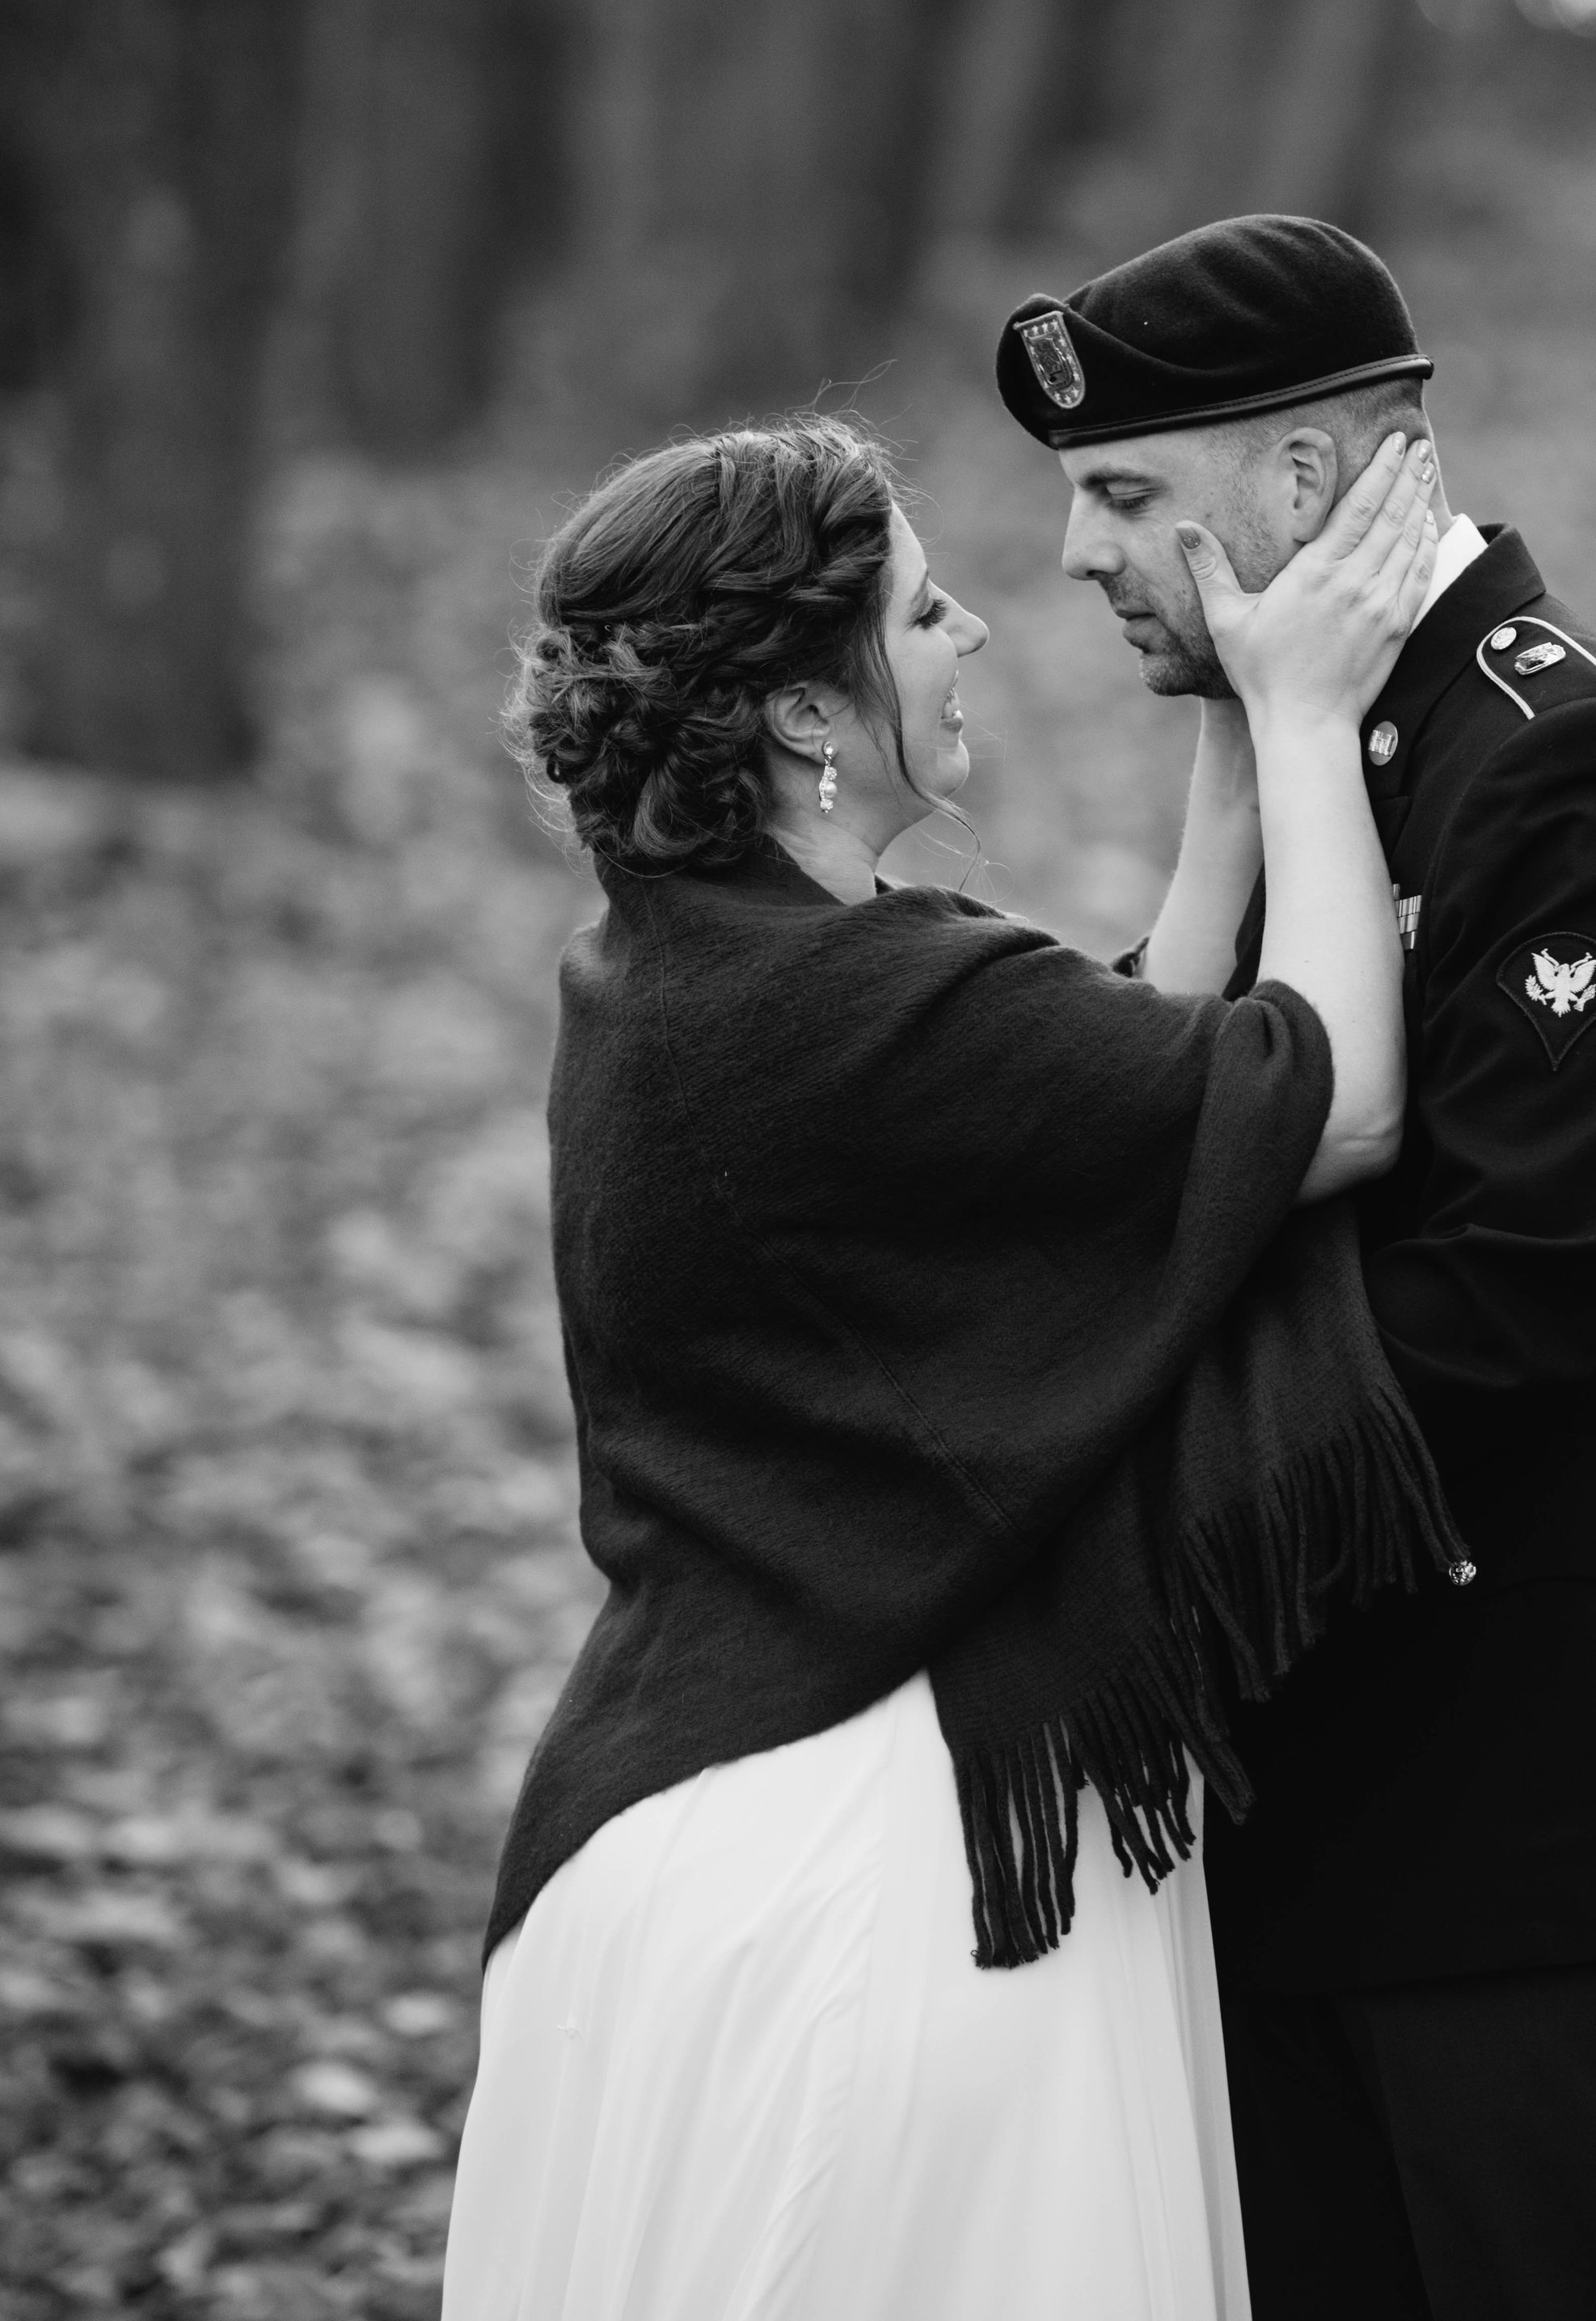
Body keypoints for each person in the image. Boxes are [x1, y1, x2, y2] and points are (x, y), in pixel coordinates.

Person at [441, 411, 1466, 2321]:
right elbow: (1323, 1105)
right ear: (807, 717)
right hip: (876, 1883)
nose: (974, 631)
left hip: (683, 1836)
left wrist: (1230, 737)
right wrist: (1319, 713)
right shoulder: (862, 997)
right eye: (920, 610)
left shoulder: (678, 966)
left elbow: (1110, 1085)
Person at [998, 214, 1596, 2321]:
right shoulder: (1312, 753)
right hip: (1296, 1821)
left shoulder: (1572, 768)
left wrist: (1078, 1484)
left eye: (1123, 497)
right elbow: (1160, 1152)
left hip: (1540, 1836)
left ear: (1298, 486)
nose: (1077, 558)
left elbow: (1501, 1307)